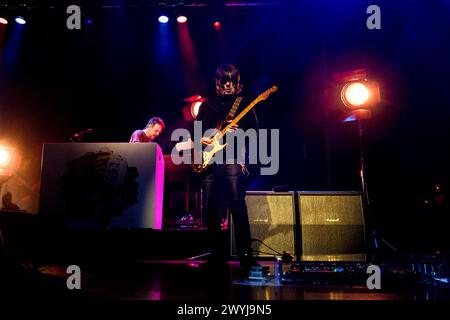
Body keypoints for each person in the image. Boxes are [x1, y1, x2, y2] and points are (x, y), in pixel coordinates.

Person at [194, 64, 257, 269]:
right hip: (209, 160)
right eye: (224, 81)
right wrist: (201, 141)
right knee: (210, 209)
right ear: (218, 83)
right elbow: (196, 133)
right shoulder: (206, 105)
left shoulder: (244, 103)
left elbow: (255, 131)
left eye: (232, 80)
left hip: (232, 159)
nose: (228, 84)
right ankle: (216, 254)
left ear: (238, 83)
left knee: (237, 205)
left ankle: (245, 254)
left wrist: (240, 132)